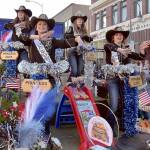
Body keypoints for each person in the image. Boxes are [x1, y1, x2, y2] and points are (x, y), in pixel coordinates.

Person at [18, 14, 81, 137]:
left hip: (49, 79)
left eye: (44, 24)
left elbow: (65, 43)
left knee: (45, 106)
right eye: (39, 24)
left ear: (48, 27)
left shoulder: (53, 41)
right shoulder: (32, 41)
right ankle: (34, 133)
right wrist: (37, 36)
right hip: (35, 78)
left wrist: (78, 40)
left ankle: (45, 133)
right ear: (36, 26)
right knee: (35, 105)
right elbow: (21, 37)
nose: (42, 26)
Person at [104, 26, 148, 134]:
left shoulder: (127, 48)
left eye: (121, 34)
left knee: (125, 104)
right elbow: (107, 46)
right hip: (113, 80)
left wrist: (142, 50)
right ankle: (109, 127)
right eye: (116, 34)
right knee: (114, 105)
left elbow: (139, 57)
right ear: (113, 37)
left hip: (125, 81)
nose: (119, 36)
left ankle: (124, 126)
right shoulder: (110, 47)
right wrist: (119, 49)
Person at [65, 11, 93, 81]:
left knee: (79, 70)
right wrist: (78, 36)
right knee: (74, 71)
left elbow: (88, 39)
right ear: (75, 21)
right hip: (72, 51)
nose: (80, 20)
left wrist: (91, 37)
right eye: (78, 19)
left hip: (80, 52)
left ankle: (75, 86)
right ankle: (69, 86)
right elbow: (66, 36)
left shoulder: (84, 30)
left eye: (81, 19)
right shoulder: (71, 28)